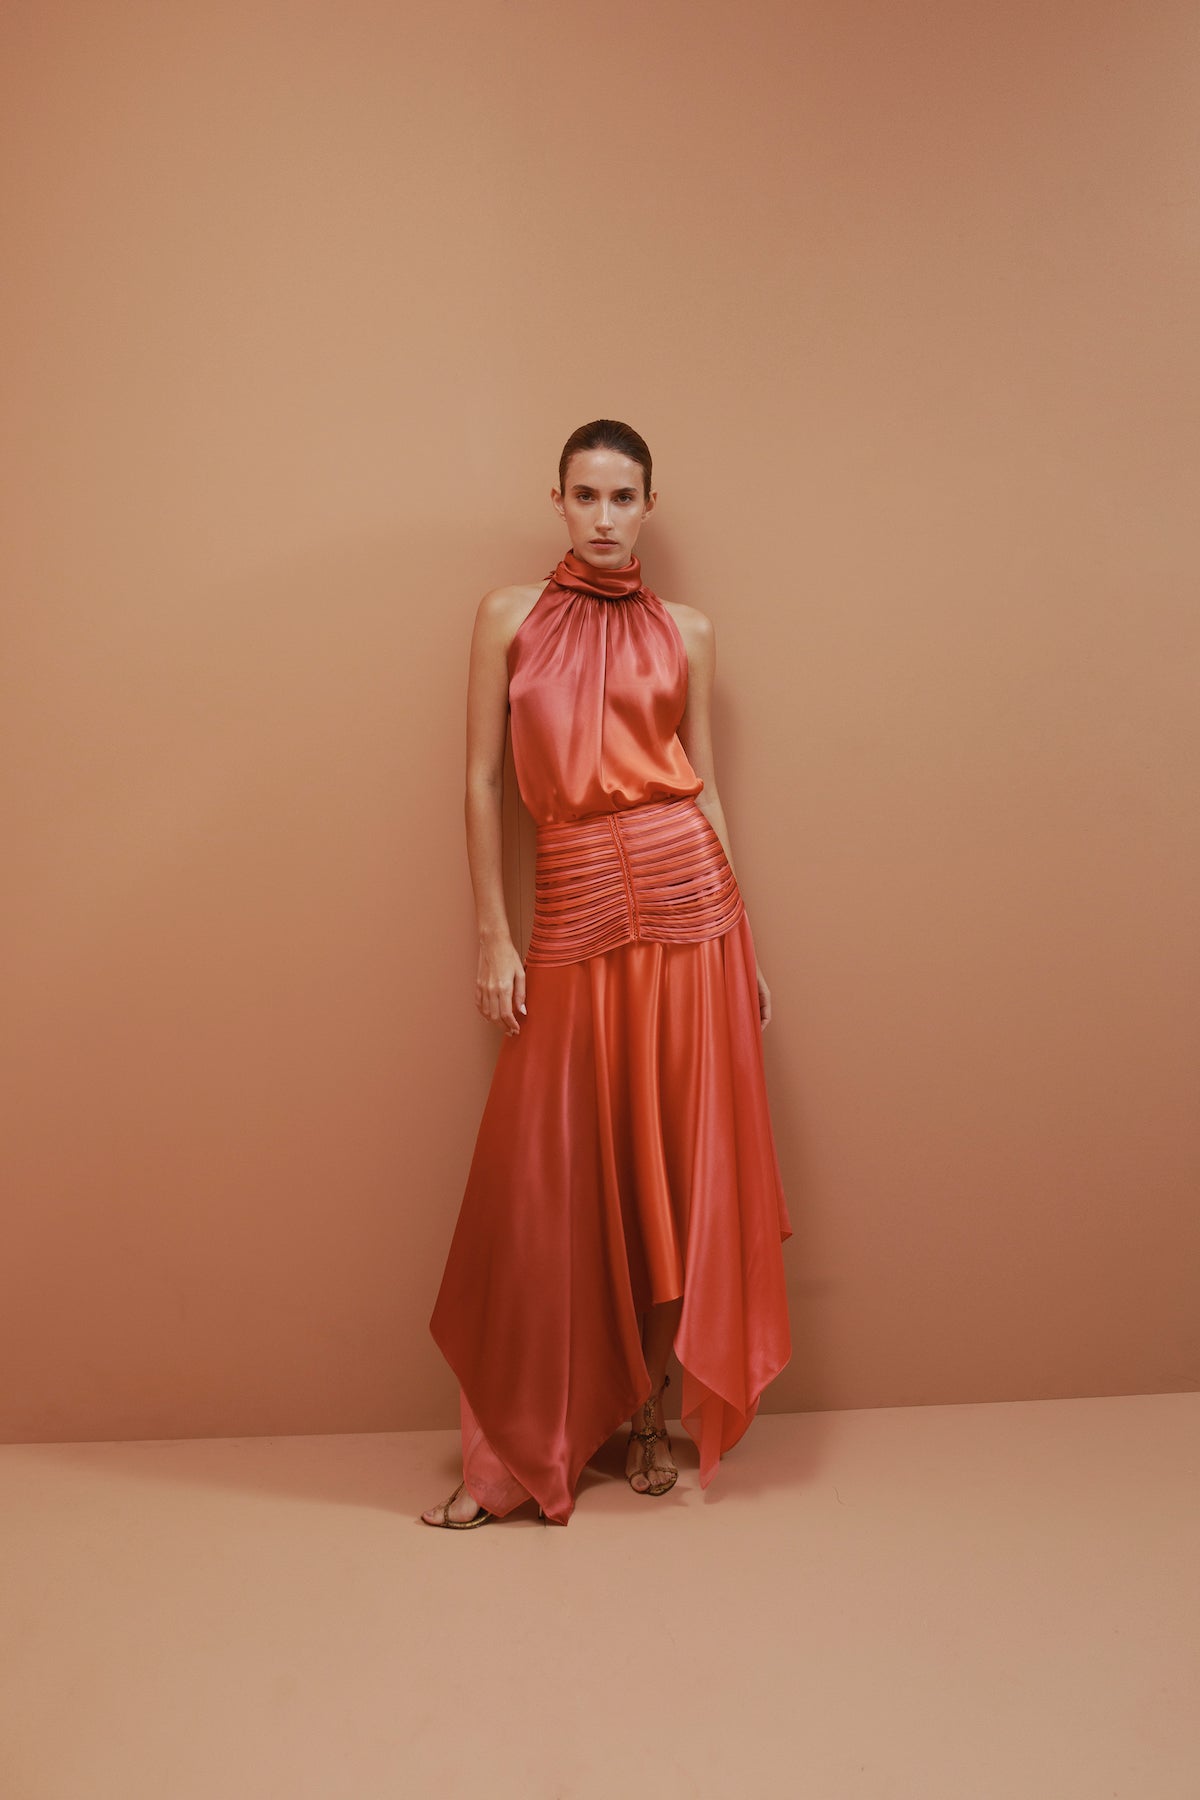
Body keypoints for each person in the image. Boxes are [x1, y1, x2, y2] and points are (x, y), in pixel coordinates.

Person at [422, 419, 792, 1528]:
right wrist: (493, 934)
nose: (603, 517)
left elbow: (706, 789)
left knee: (669, 1166)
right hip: (574, 900)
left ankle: (647, 1411)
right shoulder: (506, 616)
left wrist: (746, 939)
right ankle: (513, 1455)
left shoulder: (689, 630)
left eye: (623, 497)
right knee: (553, 1170)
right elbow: (481, 784)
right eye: (584, 495)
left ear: (649, 506)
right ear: (557, 499)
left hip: (692, 907)